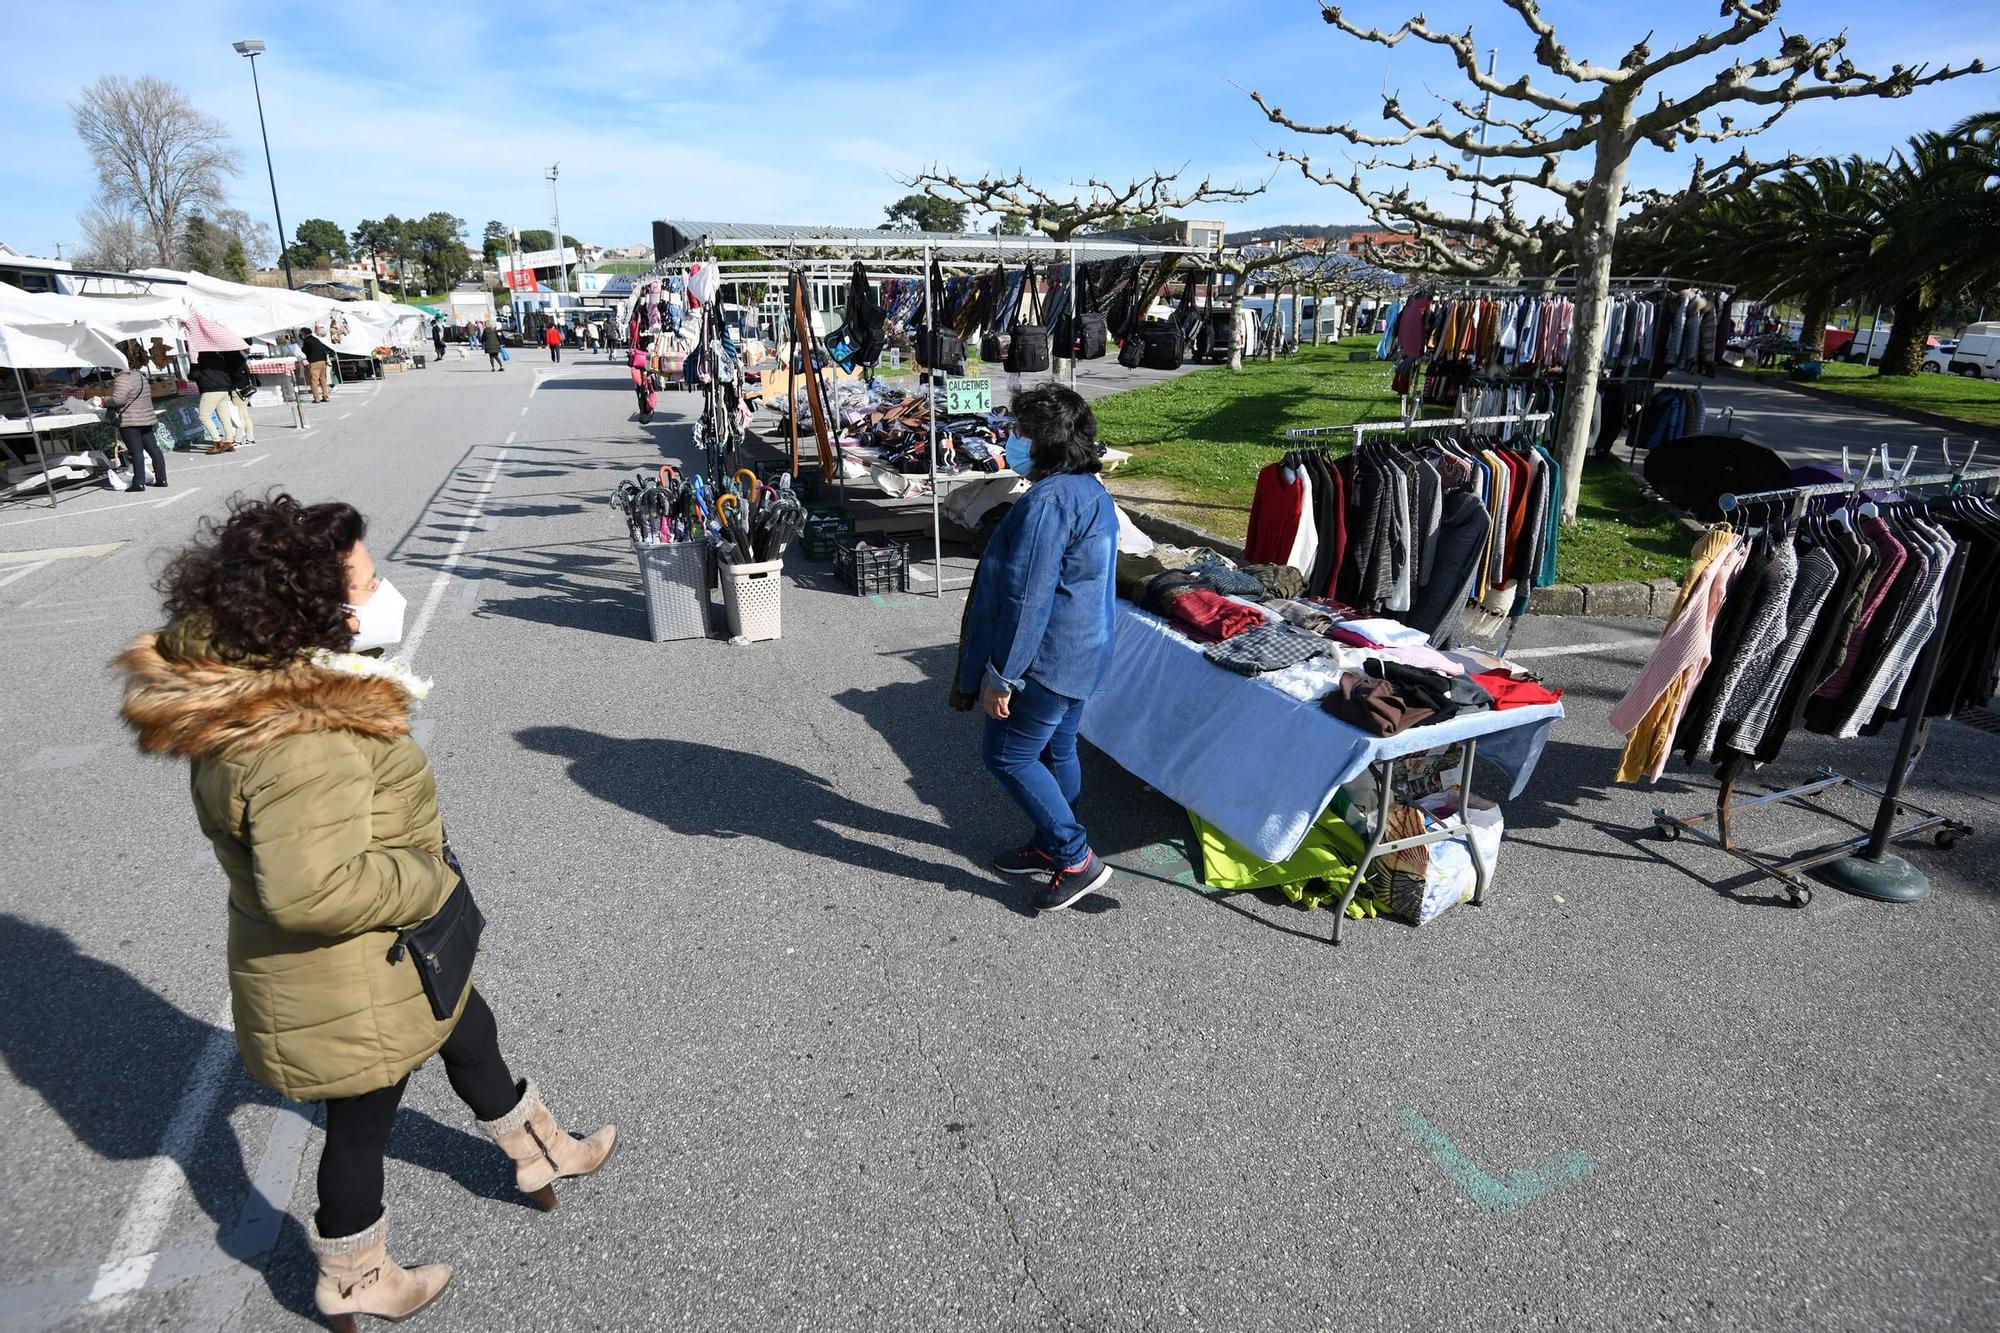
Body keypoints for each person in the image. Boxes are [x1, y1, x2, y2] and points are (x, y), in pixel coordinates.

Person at [114, 495, 617, 1330]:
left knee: (468, 1025)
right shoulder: (303, 733)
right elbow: (311, 888)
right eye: (367, 579)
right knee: (361, 1118)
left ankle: (542, 1152)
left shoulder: (265, 690)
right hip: (356, 969)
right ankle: (354, 1280)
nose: (384, 591)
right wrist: (427, 881)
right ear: (310, 606)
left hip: (388, 956)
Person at [955, 384, 1119, 912]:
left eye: (1020, 432)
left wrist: (1003, 675)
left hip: (1047, 660)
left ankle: (1075, 858)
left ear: (1045, 441)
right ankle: (1052, 843)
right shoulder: (1090, 489)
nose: (1012, 440)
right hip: (1084, 651)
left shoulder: (1049, 501)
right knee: (1058, 749)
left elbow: (1027, 599)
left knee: (1007, 754)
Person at [105, 341, 165, 489]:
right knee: (154, 450)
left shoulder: (123, 377)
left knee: (136, 452)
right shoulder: (140, 376)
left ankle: (138, 482)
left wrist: (105, 401)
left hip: (130, 420)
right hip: (146, 418)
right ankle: (161, 478)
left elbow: (119, 399)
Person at [191, 351, 239, 454]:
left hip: (210, 390)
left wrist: (191, 374)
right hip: (224, 389)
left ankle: (217, 442)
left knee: (203, 416)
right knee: (225, 417)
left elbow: (194, 374)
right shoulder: (219, 356)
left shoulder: (197, 357)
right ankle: (229, 442)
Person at [224, 348, 257, 447]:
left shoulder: (233, 360)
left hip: (238, 390)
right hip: (245, 389)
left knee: (239, 416)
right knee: (245, 415)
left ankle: (238, 439)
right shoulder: (241, 358)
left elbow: (236, 375)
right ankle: (250, 437)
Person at [301, 325, 334, 402]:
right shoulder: (317, 339)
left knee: (314, 380)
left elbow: (305, 351)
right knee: (323, 379)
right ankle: (326, 396)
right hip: (323, 361)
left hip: (314, 362)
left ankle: (316, 398)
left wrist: (303, 349)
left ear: (304, 333)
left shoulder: (307, 341)